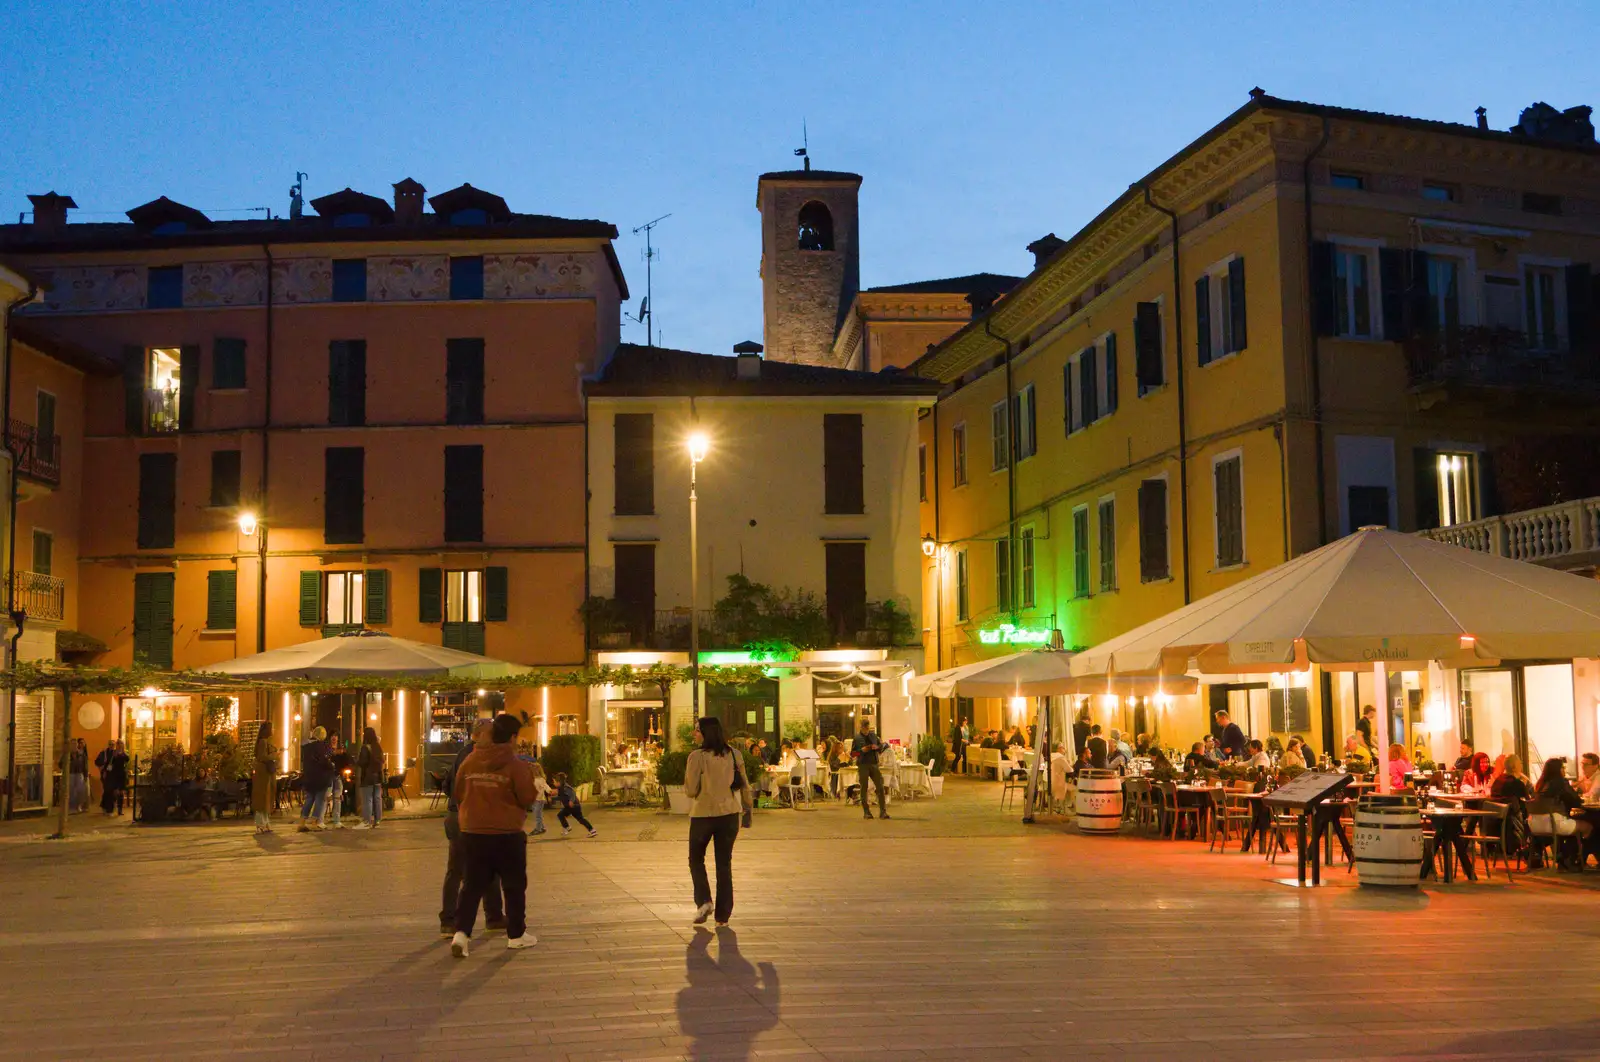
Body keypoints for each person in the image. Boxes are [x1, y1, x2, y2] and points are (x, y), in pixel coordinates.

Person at [449, 713, 537, 958]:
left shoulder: (469, 761)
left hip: (472, 832)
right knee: (513, 885)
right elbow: (527, 797)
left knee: (472, 886)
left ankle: (461, 934)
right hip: (507, 833)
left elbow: (458, 792)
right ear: (511, 737)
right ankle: (517, 935)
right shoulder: (516, 765)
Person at [684, 716, 754, 927]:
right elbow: (744, 785)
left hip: (703, 815)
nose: (694, 734)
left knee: (696, 859)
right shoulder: (735, 754)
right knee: (724, 864)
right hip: (730, 814)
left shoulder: (696, 757)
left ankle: (704, 901)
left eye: (696, 730)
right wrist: (748, 809)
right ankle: (723, 916)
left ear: (706, 732)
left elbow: (690, 789)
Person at [441, 720, 504, 936]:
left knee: (456, 871)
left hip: (456, 815)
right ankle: (492, 917)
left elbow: (447, 785)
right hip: (470, 817)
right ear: (480, 734)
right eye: (492, 733)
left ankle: (448, 922)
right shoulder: (479, 757)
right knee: (486, 868)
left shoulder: (461, 754)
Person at [1531, 757, 1592, 843]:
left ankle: (1565, 853)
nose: (1564, 770)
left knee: (1572, 820)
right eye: (1563, 767)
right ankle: (1583, 854)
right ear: (1558, 770)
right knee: (1588, 826)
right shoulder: (1561, 783)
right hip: (1555, 825)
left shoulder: (1539, 785)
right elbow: (1576, 802)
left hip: (1536, 825)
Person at [298, 727, 335, 831]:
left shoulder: (306, 747)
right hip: (321, 777)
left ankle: (301, 823)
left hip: (309, 777)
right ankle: (314, 823)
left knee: (309, 799)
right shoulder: (322, 746)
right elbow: (324, 760)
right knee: (319, 800)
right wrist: (332, 766)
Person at [852, 719, 890, 820]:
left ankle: (883, 812)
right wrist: (861, 751)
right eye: (864, 728)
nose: (866, 730)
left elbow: (881, 748)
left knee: (880, 787)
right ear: (861, 727)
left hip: (874, 764)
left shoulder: (873, 736)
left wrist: (876, 747)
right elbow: (852, 754)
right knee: (864, 788)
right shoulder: (856, 738)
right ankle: (866, 812)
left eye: (867, 728)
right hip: (863, 765)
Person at [354, 726, 385, 829]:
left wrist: (356, 762)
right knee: (377, 799)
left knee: (367, 799)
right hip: (377, 777)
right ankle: (377, 821)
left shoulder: (365, 747)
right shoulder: (378, 747)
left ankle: (367, 821)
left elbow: (362, 762)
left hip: (367, 777)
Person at [251, 720, 277, 833]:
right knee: (262, 798)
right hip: (263, 773)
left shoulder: (265, 742)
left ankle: (265, 822)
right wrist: (274, 756)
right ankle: (261, 823)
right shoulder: (263, 742)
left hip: (266, 772)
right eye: (271, 728)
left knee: (266, 798)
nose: (273, 730)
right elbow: (262, 757)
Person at [553, 772, 597, 836]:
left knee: (561, 815)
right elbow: (561, 797)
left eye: (554, 782)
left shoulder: (565, 787)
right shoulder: (560, 788)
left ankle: (567, 827)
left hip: (574, 806)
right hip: (571, 807)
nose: (553, 783)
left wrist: (571, 801)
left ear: (559, 782)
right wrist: (553, 798)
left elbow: (572, 793)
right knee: (580, 819)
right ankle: (592, 830)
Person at [326, 735, 351, 829]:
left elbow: (346, 761)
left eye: (336, 736)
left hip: (337, 776)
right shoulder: (326, 749)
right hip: (328, 777)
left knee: (338, 798)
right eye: (332, 736)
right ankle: (319, 820)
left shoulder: (341, 749)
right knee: (326, 797)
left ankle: (337, 820)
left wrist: (342, 753)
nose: (334, 738)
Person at [529, 762, 551, 835]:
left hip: (539, 800)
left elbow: (545, 786)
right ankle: (542, 827)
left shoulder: (540, 779)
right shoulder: (533, 779)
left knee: (538, 815)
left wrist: (549, 791)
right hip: (535, 799)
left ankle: (538, 829)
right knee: (537, 814)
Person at [68, 738, 90, 813]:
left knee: (80, 790)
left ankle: (79, 806)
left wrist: (86, 775)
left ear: (77, 745)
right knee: (71, 791)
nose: (74, 745)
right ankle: (72, 808)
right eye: (72, 744)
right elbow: (61, 764)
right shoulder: (67, 754)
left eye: (75, 744)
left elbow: (85, 765)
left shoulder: (81, 754)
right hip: (71, 774)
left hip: (79, 773)